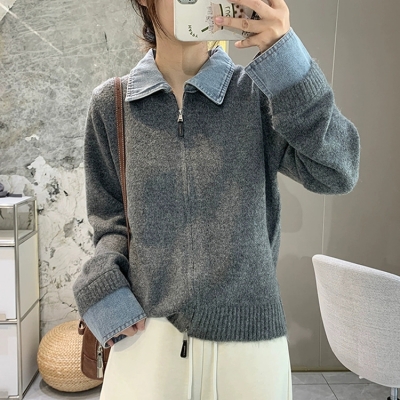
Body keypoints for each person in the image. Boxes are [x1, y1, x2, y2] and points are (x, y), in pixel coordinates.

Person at [72, 0, 360, 398]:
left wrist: (287, 59)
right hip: (148, 342)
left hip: (250, 349)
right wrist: (103, 282)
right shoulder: (112, 104)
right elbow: (110, 222)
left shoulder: (258, 95)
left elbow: (338, 170)